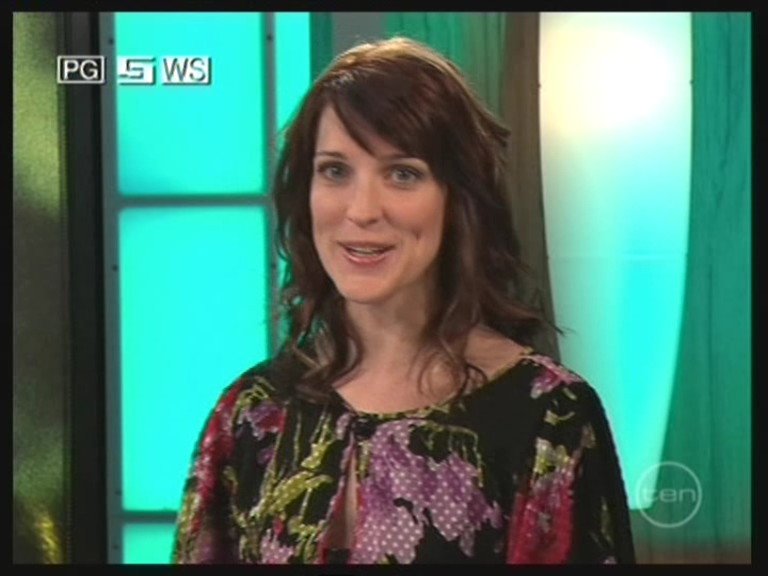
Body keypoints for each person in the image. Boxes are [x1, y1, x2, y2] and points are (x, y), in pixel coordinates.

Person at [172, 36, 635, 565]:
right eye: (335, 170)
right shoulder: (250, 414)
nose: (362, 211)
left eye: (402, 174)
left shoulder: (548, 417)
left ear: (458, 199)